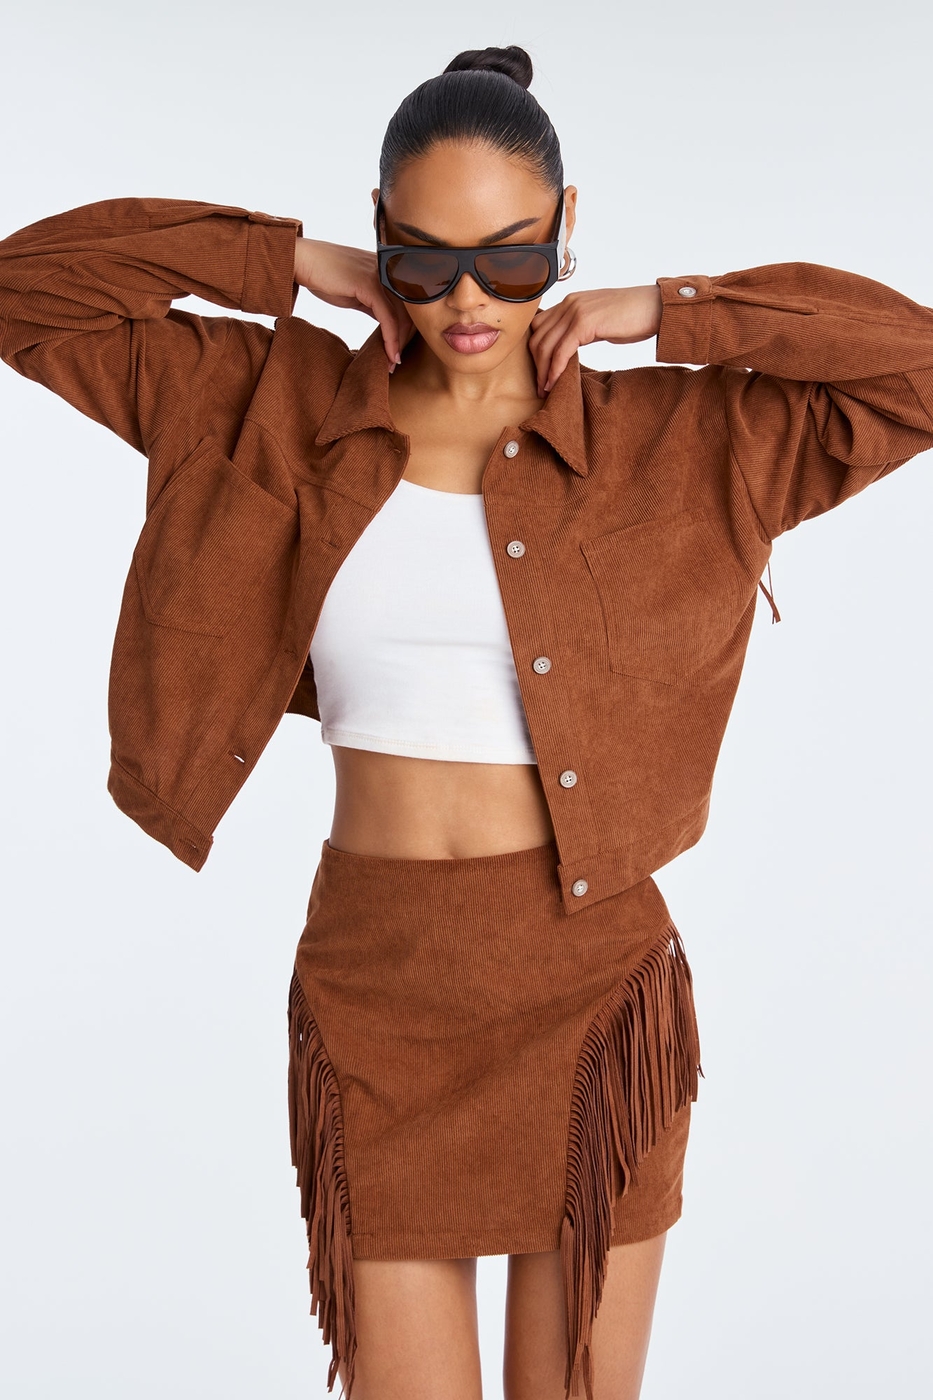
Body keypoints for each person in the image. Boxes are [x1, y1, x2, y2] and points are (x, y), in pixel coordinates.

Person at [1, 40, 931, 1400]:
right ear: (378, 238)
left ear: (568, 227)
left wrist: (670, 310)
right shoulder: (263, 406)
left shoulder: (682, 445)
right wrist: (286, 263)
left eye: (513, 257)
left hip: (588, 992)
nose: (469, 300)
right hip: (373, 986)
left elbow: (914, 370)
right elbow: (24, 294)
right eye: (423, 261)